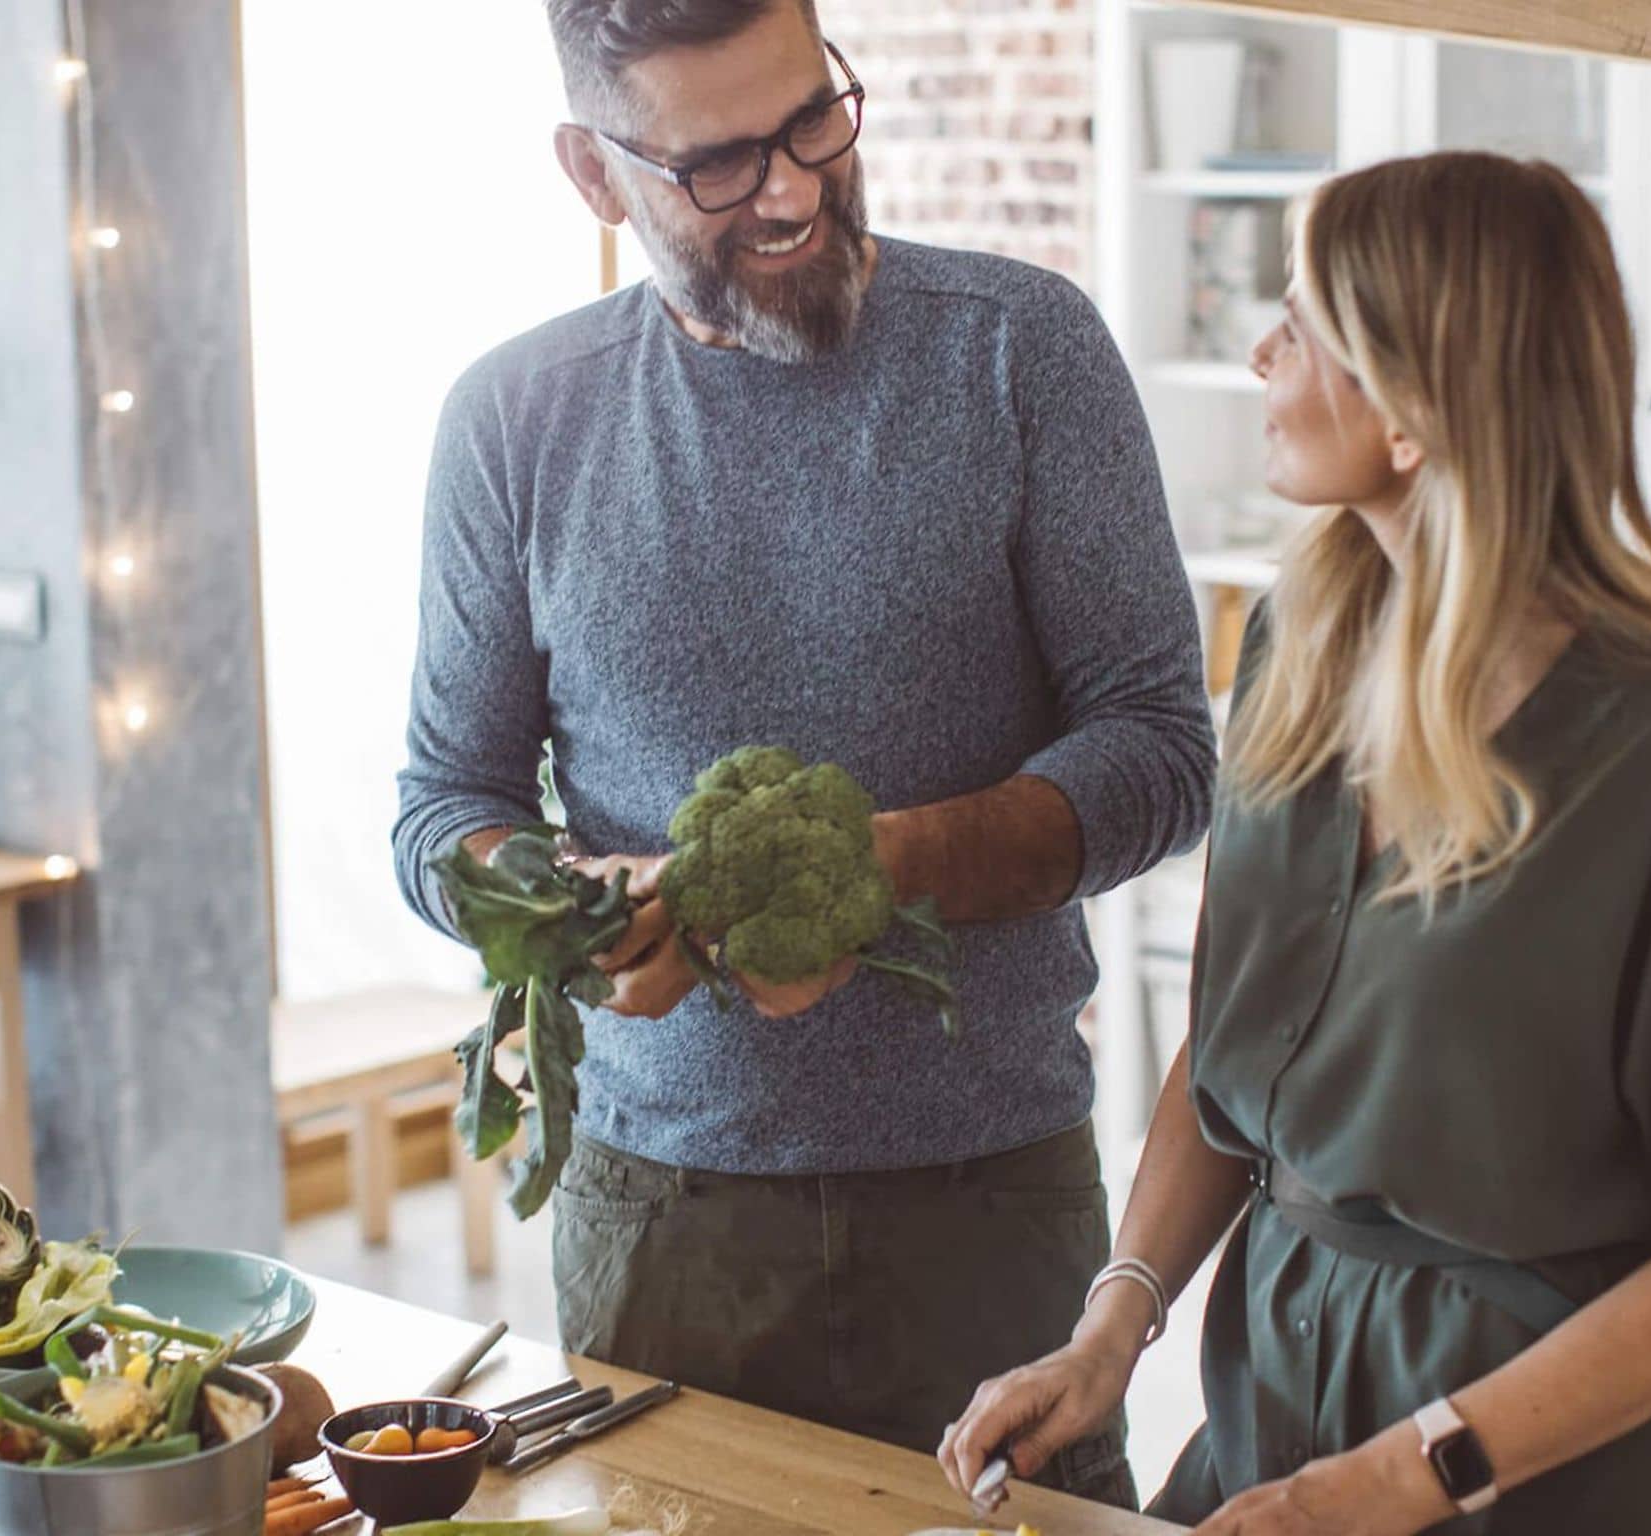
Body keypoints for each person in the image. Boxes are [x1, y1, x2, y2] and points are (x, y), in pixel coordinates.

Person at [392, 0, 1215, 1505]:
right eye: (715, 163)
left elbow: (1164, 752)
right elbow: (444, 807)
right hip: (663, 1220)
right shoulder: (516, 420)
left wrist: (882, 873)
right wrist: (574, 913)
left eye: (813, 121)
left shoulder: (1024, 353)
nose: (789, 188)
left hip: (995, 1202)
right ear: (592, 171)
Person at [941, 150, 1651, 1534]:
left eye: (1304, 323)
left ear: (1415, 406)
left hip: (1558, 1472)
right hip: (1277, 1418)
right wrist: (1112, 1330)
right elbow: (1227, 1049)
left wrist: (1410, 1471)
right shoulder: (1291, 648)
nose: (1259, 348)